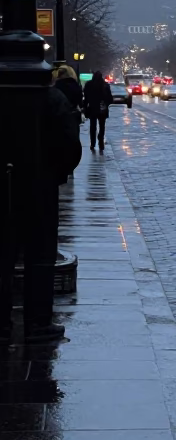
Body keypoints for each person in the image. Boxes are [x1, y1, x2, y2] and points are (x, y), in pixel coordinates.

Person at [0, 85, 82, 342]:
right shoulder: (50, 96)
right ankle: (38, 322)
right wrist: (54, 175)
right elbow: (70, 144)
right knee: (41, 256)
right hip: (40, 188)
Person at [82, 70, 112, 152]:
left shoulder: (89, 85)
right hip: (102, 109)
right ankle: (101, 140)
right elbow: (110, 98)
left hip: (92, 108)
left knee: (93, 126)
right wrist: (105, 104)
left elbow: (86, 97)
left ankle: (92, 143)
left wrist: (84, 107)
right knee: (102, 126)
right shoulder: (105, 85)